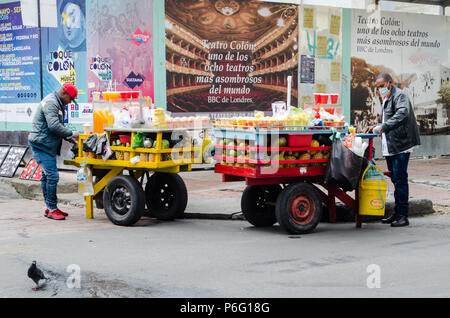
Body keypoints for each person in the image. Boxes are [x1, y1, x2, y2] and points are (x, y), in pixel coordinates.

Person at [364, 73, 420, 227]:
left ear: (390, 83)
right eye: (378, 87)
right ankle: (397, 212)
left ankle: (403, 215)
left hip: (401, 144)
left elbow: (402, 114)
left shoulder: (400, 95)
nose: (380, 89)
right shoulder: (387, 98)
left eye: (381, 86)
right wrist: (375, 124)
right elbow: (387, 119)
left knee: (400, 179)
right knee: (395, 179)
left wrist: (381, 127)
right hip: (391, 144)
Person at [28, 83, 80, 221]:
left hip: (46, 144)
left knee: (47, 176)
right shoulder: (52, 103)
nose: (69, 103)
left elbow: (58, 127)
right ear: (64, 94)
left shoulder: (56, 102)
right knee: (52, 176)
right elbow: (54, 126)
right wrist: (72, 133)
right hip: (41, 145)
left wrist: (69, 138)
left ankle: (50, 207)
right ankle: (51, 209)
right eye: (70, 99)